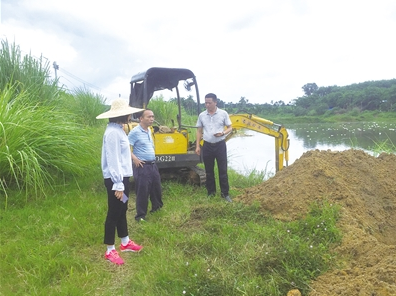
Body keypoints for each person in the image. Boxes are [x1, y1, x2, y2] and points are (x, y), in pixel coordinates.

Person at [96, 98, 144, 265]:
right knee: (114, 213)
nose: (130, 115)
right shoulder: (112, 133)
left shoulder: (119, 130)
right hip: (115, 180)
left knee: (122, 208)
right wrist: (118, 184)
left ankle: (125, 242)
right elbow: (113, 159)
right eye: (128, 113)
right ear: (122, 115)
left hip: (122, 178)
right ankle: (110, 250)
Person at [195, 93, 233, 202]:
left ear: (215, 102)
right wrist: (198, 146)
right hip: (207, 146)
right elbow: (199, 131)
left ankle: (225, 194)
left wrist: (223, 133)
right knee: (209, 171)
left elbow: (230, 127)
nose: (207, 105)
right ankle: (211, 193)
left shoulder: (223, 114)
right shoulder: (202, 115)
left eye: (209, 103)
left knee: (223, 170)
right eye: (205, 103)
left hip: (220, 145)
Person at [128, 109, 163, 222]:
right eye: (149, 117)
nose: (152, 119)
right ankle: (140, 216)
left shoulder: (149, 130)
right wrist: (135, 159)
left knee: (156, 187)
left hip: (152, 165)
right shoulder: (135, 132)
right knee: (143, 190)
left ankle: (157, 208)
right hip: (142, 166)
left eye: (152, 116)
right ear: (141, 118)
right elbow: (126, 148)